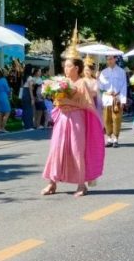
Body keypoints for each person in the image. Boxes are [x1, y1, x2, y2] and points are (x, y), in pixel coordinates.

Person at [41, 29, 105, 197]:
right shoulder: (61, 82)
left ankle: (81, 184)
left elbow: (87, 103)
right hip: (62, 118)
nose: (65, 67)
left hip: (76, 119)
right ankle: (52, 182)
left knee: (77, 150)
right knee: (56, 148)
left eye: (68, 65)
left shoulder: (82, 83)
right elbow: (55, 101)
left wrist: (70, 98)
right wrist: (51, 92)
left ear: (76, 68)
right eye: (65, 65)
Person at [97, 54, 127, 147]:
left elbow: (124, 86)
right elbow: (101, 87)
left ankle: (116, 138)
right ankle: (109, 138)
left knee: (116, 119)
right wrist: (97, 78)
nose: (109, 61)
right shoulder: (103, 72)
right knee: (106, 119)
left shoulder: (121, 71)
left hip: (117, 98)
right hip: (107, 98)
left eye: (111, 59)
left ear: (115, 59)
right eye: (107, 59)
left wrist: (123, 100)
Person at [20, 64, 38, 130]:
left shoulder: (24, 77)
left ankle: (25, 125)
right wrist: (32, 98)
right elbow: (30, 89)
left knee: (25, 109)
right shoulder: (30, 78)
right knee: (29, 110)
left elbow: (21, 87)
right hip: (28, 93)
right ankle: (29, 126)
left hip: (23, 93)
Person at [0, 68, 11, 133]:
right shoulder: (4, 80)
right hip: (4, 97)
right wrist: (9, 94)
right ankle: (3, 128)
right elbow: (7, 89)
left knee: (0, 113)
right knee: (7, 112)